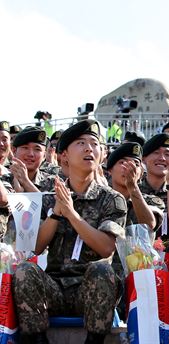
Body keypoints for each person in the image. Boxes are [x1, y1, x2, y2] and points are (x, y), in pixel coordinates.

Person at [13, 120, 127, 344]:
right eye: (80, 143)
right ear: (63, 156)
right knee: (25, 271)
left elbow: (106, 248)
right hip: (55, 287)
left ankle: (94, 341)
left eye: (94, 144)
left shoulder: (112, 199)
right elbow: (34, 247)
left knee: (102, 270)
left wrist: (72, 214)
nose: (88, 148)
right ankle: (37, 340)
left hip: (91, 288)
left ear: (102, 155)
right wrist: (56, 212)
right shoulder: (49, 197)